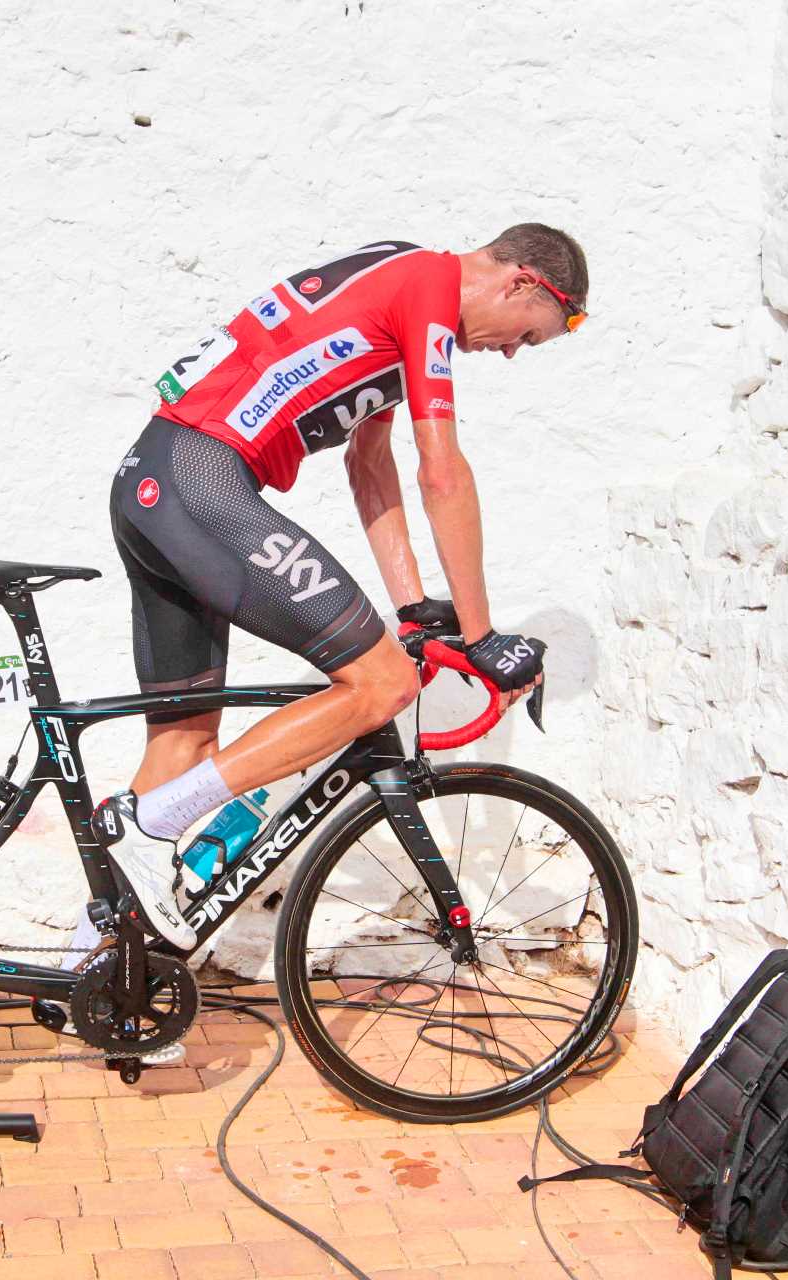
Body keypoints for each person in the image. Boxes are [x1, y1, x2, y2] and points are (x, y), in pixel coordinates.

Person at [94, 224, 584, 950]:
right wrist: (481, 636)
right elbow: (442, 472)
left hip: (156, 482)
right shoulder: (430, 289)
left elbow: (370, 463)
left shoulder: (402, 274)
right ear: (521, 283)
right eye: (528, 335)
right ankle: (149, 823)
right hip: (202, 481)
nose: (512, 352)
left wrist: (414, 606)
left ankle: (93, 969)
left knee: (185, 749)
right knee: (384, 684)